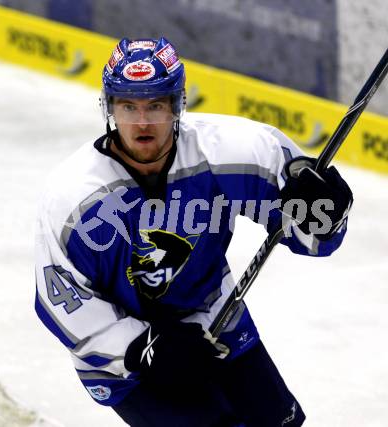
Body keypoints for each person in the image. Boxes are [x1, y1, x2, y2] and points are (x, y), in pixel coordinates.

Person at [35, 37, 353, 426]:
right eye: (128, 106)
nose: (143, 121)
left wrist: (326, 211)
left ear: (177, 104)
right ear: (110, 107)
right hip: (126, 361)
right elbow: (62, 301)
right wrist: (143, 349)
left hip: (214, 319)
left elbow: (313, 237)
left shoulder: (236, 152)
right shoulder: (73, 198)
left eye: (155, 105)